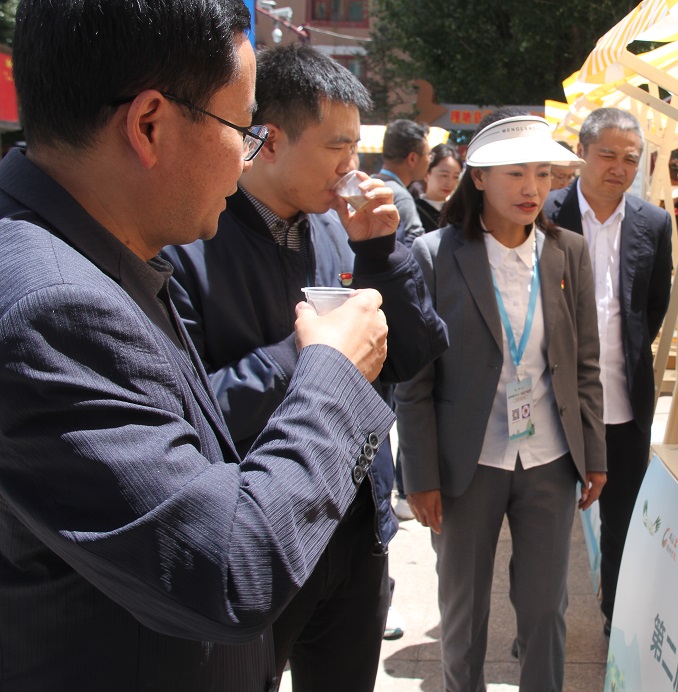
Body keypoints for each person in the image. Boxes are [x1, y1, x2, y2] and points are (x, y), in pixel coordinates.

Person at [0, 2, 397, 690]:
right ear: (149, 125)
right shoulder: (52, 308)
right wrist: (330, 372)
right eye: (242, 130)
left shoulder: (99, 255)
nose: (246, 158)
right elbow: (231, 568)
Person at [161, 44, 448, 691]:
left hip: (354, 528)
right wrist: (311, 356)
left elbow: (411, 352)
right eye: (336, 147)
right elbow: (193, 410)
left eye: (355, 147)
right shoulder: (190, 240)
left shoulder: (342, 228)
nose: (352, 167)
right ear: (267, 140)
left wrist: (382, 253)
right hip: (257, 534)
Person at [395, 110, 607, 691]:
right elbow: (414, 380)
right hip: (466, 464)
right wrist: (420, 476)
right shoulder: (434, 255)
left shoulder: (567, 253)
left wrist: (594, 453)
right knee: (463, 615)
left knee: (546, 609)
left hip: (549, 459)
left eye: (542, 172)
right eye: (515, 173)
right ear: (480, 177)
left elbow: (585, 363)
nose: (531, 188)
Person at [544, 107, 673, 637]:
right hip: (553, 398)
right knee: (546, 524)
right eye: (608, 155)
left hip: (623, 398)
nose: (620, 168)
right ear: (582, 154)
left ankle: (614, 619)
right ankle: (539, 625)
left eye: (631, 159)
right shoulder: (544, 213)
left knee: (622, 521)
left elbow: (654, 305)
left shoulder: (653, 222)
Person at [376, 119, 430, 248]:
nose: (429, 160)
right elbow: (416, 247)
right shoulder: (401, 198)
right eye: (428, 154)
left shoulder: (368, 186)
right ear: (412, 158)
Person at [414, 142, 462, 234]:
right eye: (444, 175)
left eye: (456, 177)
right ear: (427, 173)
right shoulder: (414, 209)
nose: (450, 183)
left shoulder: (459, 211)